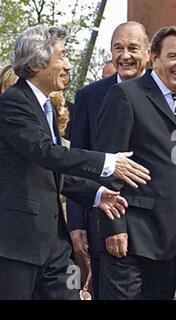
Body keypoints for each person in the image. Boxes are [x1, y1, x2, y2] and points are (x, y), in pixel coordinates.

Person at [0, 25, 150, 300]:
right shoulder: (13, 103)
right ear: (37, 63)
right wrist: (108, 163)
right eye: (63, 56)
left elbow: (49, 170)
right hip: (18, 247)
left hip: (55, 247)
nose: (69, 65)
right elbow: (46, 153)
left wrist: (95, 193)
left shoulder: (44, 106)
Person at [95, 26, 176, 300]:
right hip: (131, 238)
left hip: (172, 241)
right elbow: (108, 167)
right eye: (174, 56)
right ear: (154, 57)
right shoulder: (126, 96)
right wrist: (113, 228)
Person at [66, 21, 151, 298]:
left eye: (133, 48)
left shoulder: (168, 93)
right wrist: (77, 223)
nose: (125, 55)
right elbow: (76, 161)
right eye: (118, 48)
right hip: (105, 219)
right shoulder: (89, 97)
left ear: (148, 53)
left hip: (157, 226)